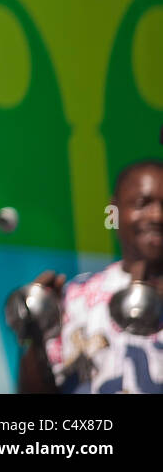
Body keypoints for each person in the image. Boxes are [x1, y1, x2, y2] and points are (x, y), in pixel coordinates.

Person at [18, 159, 163, 393]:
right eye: (142, 203)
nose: (157, 216)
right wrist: (37, 334)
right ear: (113, 211)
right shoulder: (77, 295)